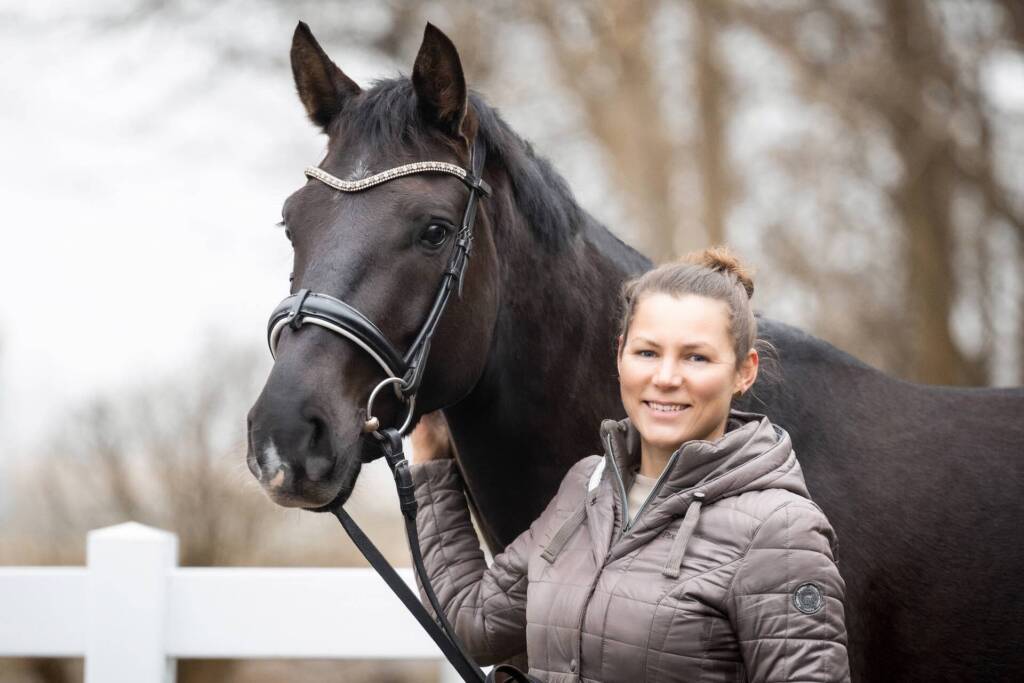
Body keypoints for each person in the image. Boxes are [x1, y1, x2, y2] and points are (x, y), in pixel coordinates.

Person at [410, 247, 850, 682]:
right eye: (647, 353)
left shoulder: (780, 531)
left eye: (696, 357)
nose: (665, 377)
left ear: (743, 371)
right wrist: (429, 467)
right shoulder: (585, 488)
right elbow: (474, 623)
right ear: (620, 354)